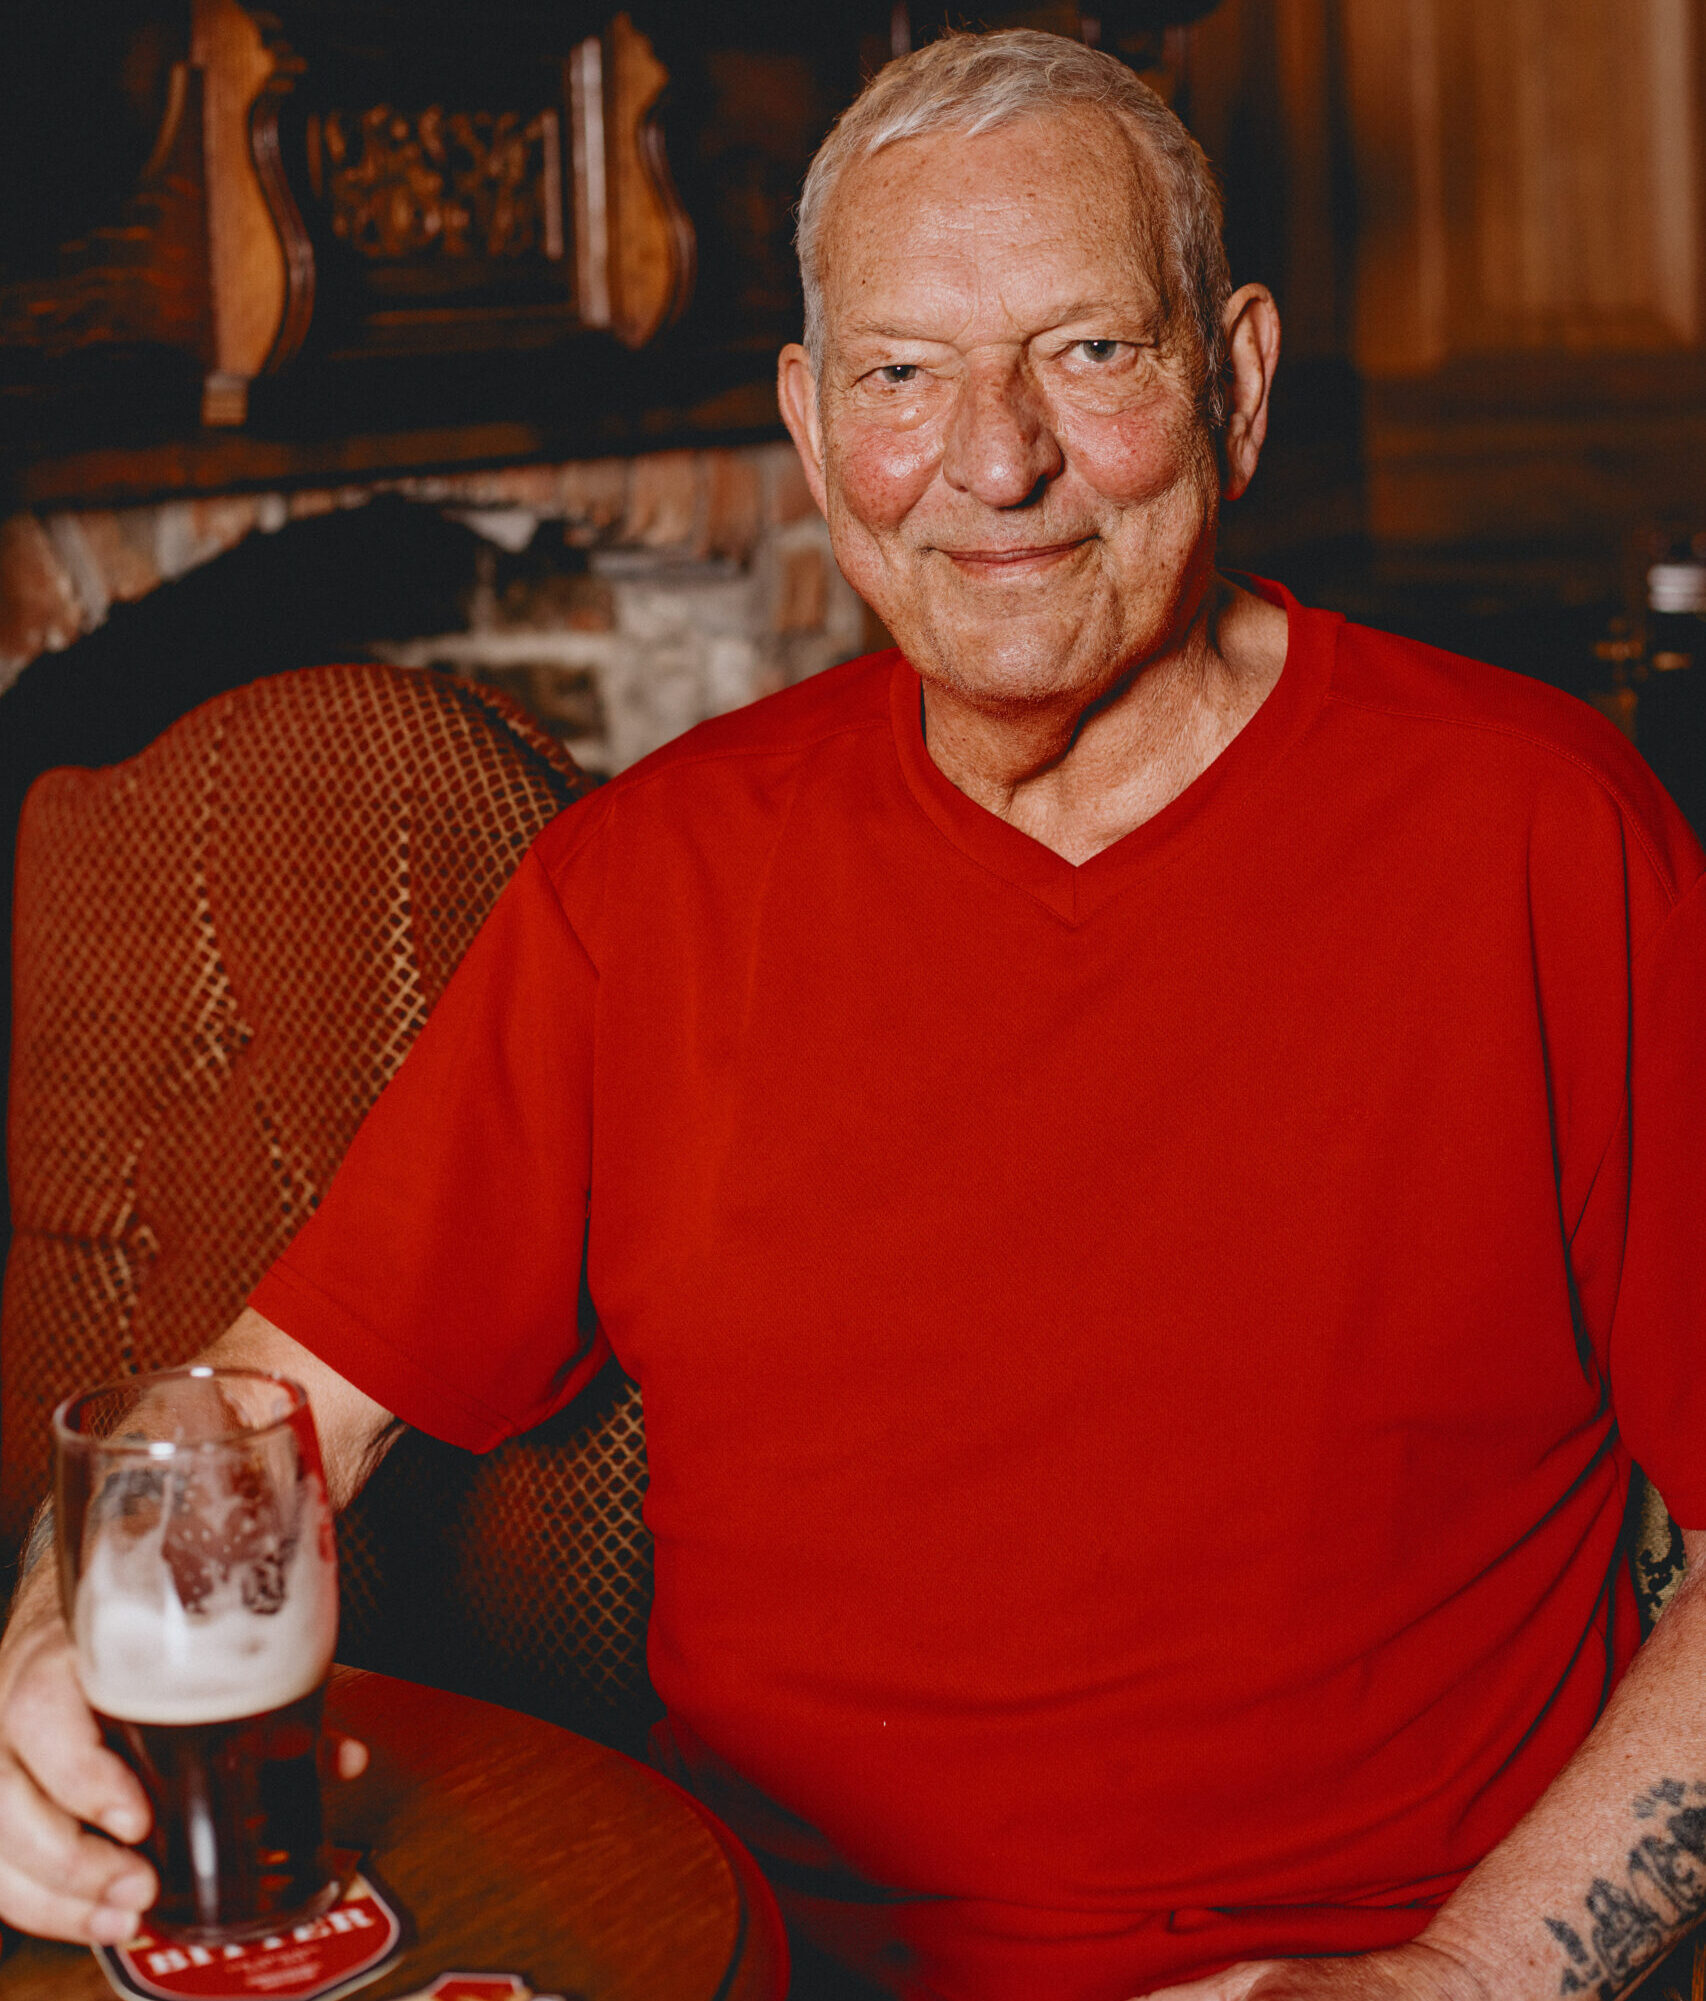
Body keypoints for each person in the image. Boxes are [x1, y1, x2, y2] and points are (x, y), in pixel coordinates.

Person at [3, 29, 1705, 2001]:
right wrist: (52, 1634)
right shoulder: (645, 883)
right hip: (740, 1958)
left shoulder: (1541, 832)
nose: (995, 463)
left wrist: (1458, 1978)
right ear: (812, 431)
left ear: (1232, 380)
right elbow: (257, 1411)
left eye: (1090, 351)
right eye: (904, 374)